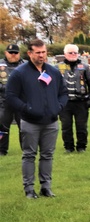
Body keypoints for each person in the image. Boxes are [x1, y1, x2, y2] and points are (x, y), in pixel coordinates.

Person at [6, 39, 67, 198]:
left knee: (47, 155)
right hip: (30, 122)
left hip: (51, 122)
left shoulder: (53, 72)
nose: (41, 55)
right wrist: (27, 109)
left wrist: (58, 107)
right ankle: (29, 189)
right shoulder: (20, 73)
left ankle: (46, 187)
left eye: (44, 52)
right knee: (29, 155)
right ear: (30, 53)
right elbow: (11, 96)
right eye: (38, 52)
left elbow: (63, 92)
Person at [56, 44, 90, 153]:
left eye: (75, 52)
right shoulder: (58, 67)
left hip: (81, 101)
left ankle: (81, 146)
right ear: (65, 54)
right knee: (66, 126)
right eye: (70, 53)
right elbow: (52, 85)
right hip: (64, 103)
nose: (73, 54)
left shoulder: (85, 67)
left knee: (81, 126)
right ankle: (68, 147)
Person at [0, 43, 25, 155]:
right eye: (11, 53)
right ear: (6, 53)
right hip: (3, 102)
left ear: (19, 53)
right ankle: (1, 150)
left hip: (21, 102)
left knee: (24, 127)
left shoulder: (26, 65)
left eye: (15, 53)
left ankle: (26, 149)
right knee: (2, 127)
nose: (13, 55)